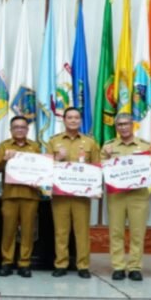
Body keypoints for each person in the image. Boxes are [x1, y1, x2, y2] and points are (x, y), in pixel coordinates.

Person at [47, 107, 100, 278]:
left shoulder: (90, 142)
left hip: (81, 195)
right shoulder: (54, 142)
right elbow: (45, 167)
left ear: (80, 120)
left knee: (82, 231)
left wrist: (95, 188)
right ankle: (61, 264)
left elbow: (97, 168)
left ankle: (83, 265)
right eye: (69, 117)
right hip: (60, 195)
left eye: (76, 117)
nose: (73, 120)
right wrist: (57, 159)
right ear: (64, 119)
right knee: (61, 231)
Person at [100, 113, 151, 282]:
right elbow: (99, 170)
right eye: (119, 125)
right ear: (116, 127)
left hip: (138, 195)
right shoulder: (108, 147)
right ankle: (118, 266)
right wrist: (106, 158)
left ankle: (135, 267)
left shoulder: (145, 146)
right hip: (117, 195)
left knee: (137, 232)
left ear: (132, 125)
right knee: (116, 232)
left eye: (126, 124)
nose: (123, 127)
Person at [0, 116, 40, 278]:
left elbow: (43, 169)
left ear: (27, 130)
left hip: (30, 195)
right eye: (16, 127)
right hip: (10, 195)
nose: (19, 129)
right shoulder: (4, 146)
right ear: (11, 130)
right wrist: (5, 160)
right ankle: (7, 262)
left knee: (28, 231)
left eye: (22, 127)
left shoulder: (35, 147)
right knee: (8, 230)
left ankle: (24, 263)